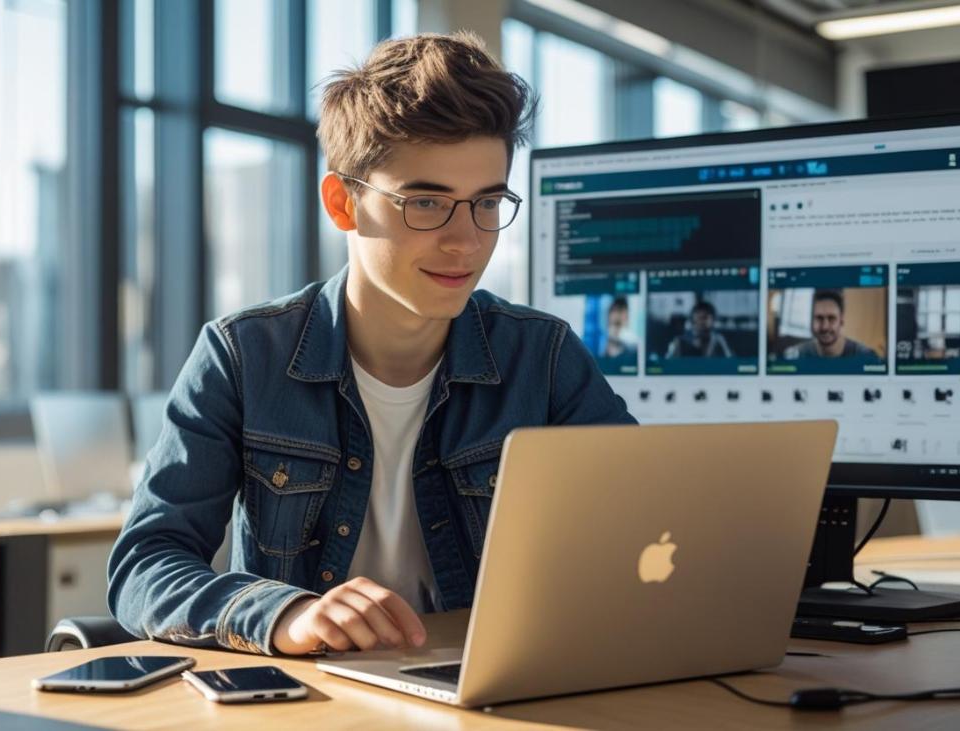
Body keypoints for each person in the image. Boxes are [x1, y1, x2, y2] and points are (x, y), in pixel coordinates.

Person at [107, 32, 635, 658]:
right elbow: (146, 562)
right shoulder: (243, 356)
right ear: (343, 203)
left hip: (489, 684)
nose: (466, 242)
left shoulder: (543, 357)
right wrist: (284, 614)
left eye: (487, 203)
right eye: (427, 202)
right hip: (312, 699)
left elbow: (644, 532)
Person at [785, 290, 876, 359]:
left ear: (841, 320)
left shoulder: (864, 355)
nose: (825, 327)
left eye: (831, 318)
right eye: (819, 318)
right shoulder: (797, 355)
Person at [665, 301, 733, 357]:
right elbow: (668, 363)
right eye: (698, 318)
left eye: (705, 317)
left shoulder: (718, 340)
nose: (701, 322)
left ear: (713, 320)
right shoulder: (680, 341)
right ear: (692, 320)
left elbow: (730, 361)